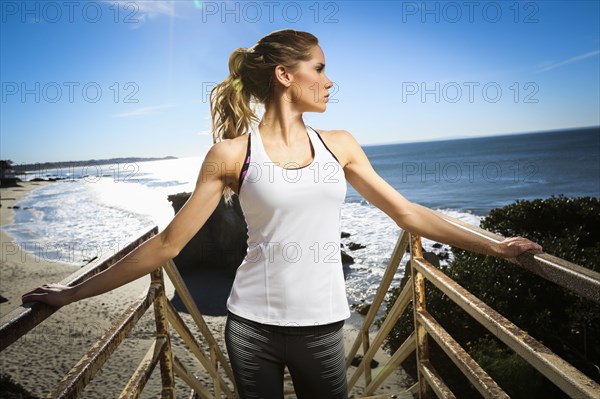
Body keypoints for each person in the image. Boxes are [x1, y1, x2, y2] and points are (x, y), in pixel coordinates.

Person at [22, 29, 542, 398]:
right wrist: (71, 293)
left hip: (322, 328)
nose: (330, 80)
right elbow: (166, 247)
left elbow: (406, 213)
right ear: (285, 75)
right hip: (250, 329)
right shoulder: (231, 154)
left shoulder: (341, 144)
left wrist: (496, 246)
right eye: (320, 68)